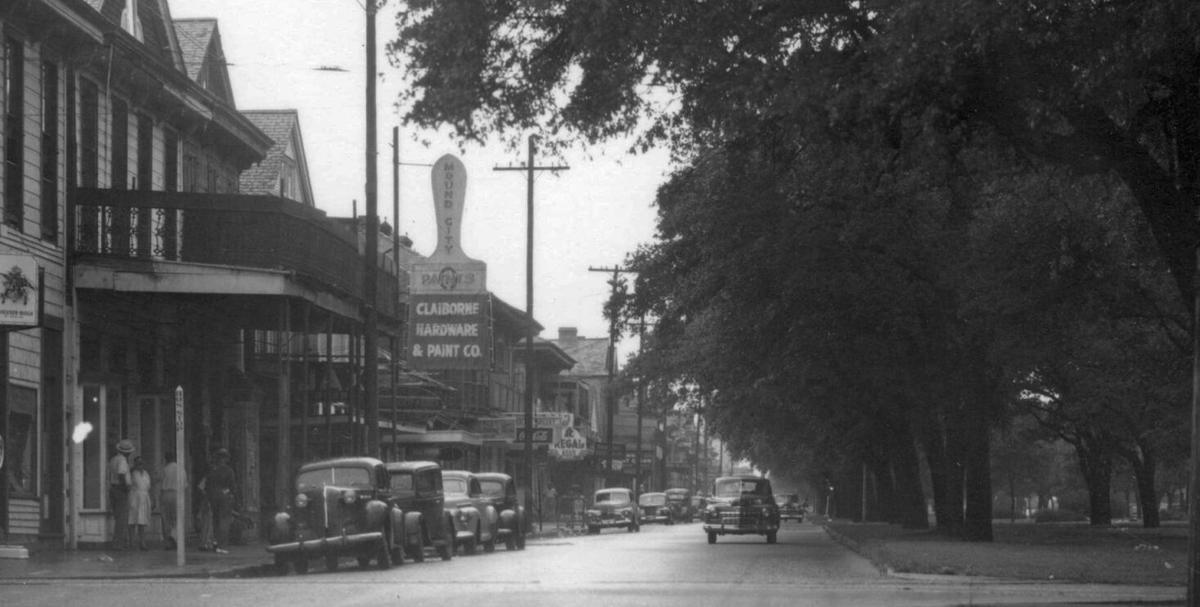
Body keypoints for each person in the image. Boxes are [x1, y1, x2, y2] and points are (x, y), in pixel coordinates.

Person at [203, 448, 237, 555]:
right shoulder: (228, 471)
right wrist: (230, 494)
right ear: (226, 459)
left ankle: (216, 542)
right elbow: (232, 486)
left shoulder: (212, 470)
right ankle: (222, 546)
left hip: (213, 497)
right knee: (224, 521)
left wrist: (209, 497)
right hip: (224, 496)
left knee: (216, 520)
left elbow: (207, 486)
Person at [107, 439, 134, 550]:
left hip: (113, 488)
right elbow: (121, 474)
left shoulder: (113, 459)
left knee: (118, 517)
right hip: (120, 489)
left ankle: (119, 542)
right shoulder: (122, 460)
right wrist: (125, 488)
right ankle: (119, 544)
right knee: (122, 518)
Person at [158, 451, 185, 550]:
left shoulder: (164, 469)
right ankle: (174, 537)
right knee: (177, 518)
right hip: (177, 493)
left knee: (166, 518)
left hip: (165, 493)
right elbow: (184, 485)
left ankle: (168, 541)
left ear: (166, 459)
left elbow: (160, 483)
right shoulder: (181, 469)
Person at [128, 455, 152, 550]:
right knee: (132, 520)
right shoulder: (132, 473)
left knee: (142, 521)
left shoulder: (146, 473)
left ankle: (142, 543)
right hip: (135, 497)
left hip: (144, 497)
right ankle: (131, 542)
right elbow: (129, 485)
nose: (140, 465)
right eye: (138, 463)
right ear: (135, 464)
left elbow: (148, 486)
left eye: (141, 463)